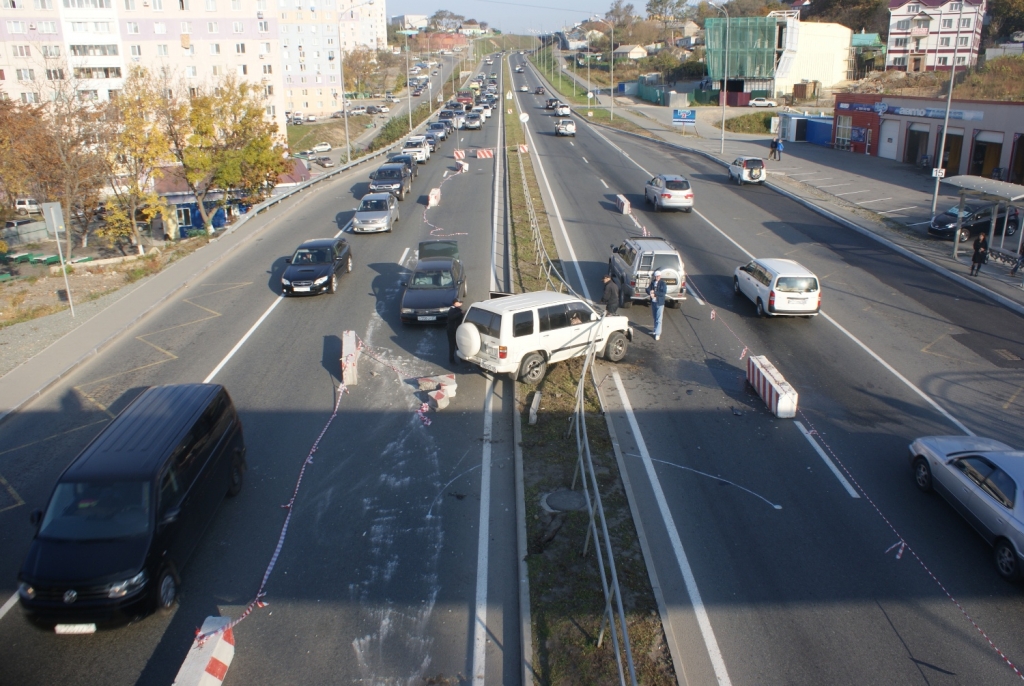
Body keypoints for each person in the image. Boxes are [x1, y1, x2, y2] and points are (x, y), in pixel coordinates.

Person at [646, 271, 668, 341]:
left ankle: (658, 333)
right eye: (656, 276)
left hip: (659, 303)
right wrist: (650, 292)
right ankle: (655, 330)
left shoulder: (663, 284)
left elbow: (663, 293)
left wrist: (655, 293)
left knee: (659, 319)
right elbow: (648, 289)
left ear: (660, 276)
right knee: (655, 317)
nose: (657, 277)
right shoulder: (652, 282)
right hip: (653, 302)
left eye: (658, 276)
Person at [446, 298, 465, 364]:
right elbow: (452, 317)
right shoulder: (452, 310)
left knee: (459, 345)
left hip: (457, 330)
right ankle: (451, 360)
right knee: (452, 346)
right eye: (459, 302)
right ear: (455, 303)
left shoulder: (458, 309)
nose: (461, 304)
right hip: (452, 331)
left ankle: (462, 359)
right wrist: (460, 313)